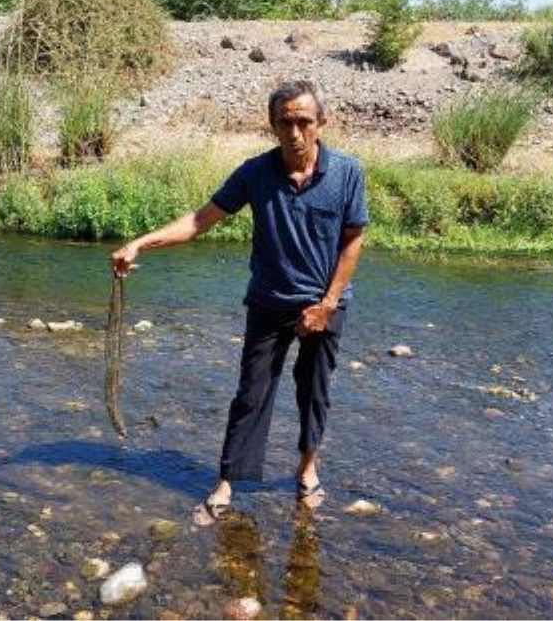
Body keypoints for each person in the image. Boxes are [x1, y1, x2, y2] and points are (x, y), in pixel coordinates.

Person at [110, 80, 367, 523]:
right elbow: (199, 220)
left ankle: (307, 468)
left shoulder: (347, 173)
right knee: (251, 394)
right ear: (272, 124)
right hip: (269, 301)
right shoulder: (255, 173)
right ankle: (228, 480)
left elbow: (352, 241)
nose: (295, 132)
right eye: (284, 122)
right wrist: (140, 244)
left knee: (314, 391)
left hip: (325, 305)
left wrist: (326, 304)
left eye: (304, 121)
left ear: (321, 123)